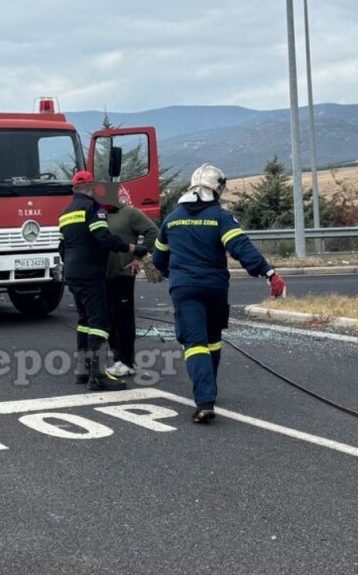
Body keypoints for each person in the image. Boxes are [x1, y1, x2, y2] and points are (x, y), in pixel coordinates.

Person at [152, 163, 286, 423]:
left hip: (184, 288)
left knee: (194, 344)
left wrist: (175, 274)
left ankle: (204, 400)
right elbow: (240, 246)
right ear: (217, 188)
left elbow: (159, 260)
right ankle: (208, 390)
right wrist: (268, 273)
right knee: (212, 340)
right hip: (214, 287)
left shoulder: (171, 219)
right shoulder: (220, 216)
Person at [59, 171, 148, 391]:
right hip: (91, 273)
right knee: (100, 323)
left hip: (72, 272)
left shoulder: (66, 212)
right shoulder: (93, 209)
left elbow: (62, 247)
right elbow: (103, 238)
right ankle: (97, 375)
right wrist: (132, 248)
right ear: (91, 187)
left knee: (84, 320)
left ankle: (83, 369)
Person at [100, 191, 158, 378]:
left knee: (123, 318)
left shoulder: (130, 213)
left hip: (122, 273)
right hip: (102, 275)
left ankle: (127, 361)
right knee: (108, 318)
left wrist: (137, 257)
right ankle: (118, 358)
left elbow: (153, 231)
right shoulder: (100, 214)